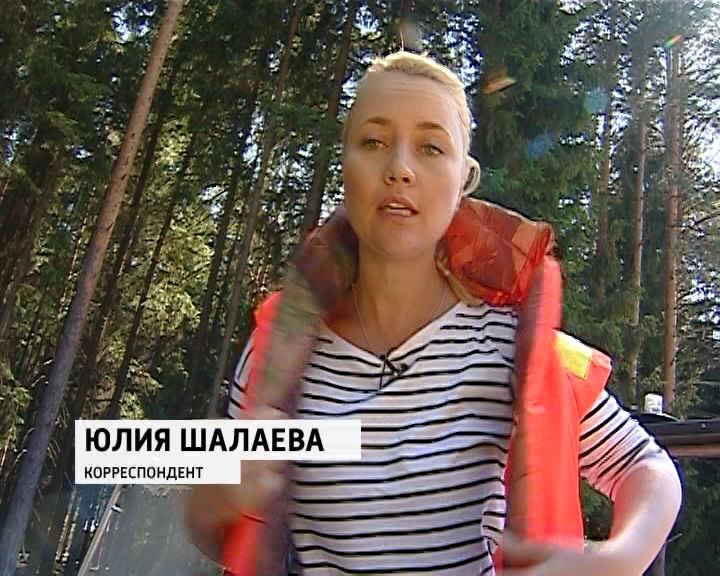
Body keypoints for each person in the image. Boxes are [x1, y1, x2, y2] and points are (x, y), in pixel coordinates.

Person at [186, 51, 681, 575]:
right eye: (373, 142)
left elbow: (645, 466)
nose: (399, 169)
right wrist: (208, 501)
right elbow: (221, 530)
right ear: (345, 163)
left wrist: (617, 560)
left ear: (464, 178)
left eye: (430, 147)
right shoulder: (275, 353)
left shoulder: (512, 345)